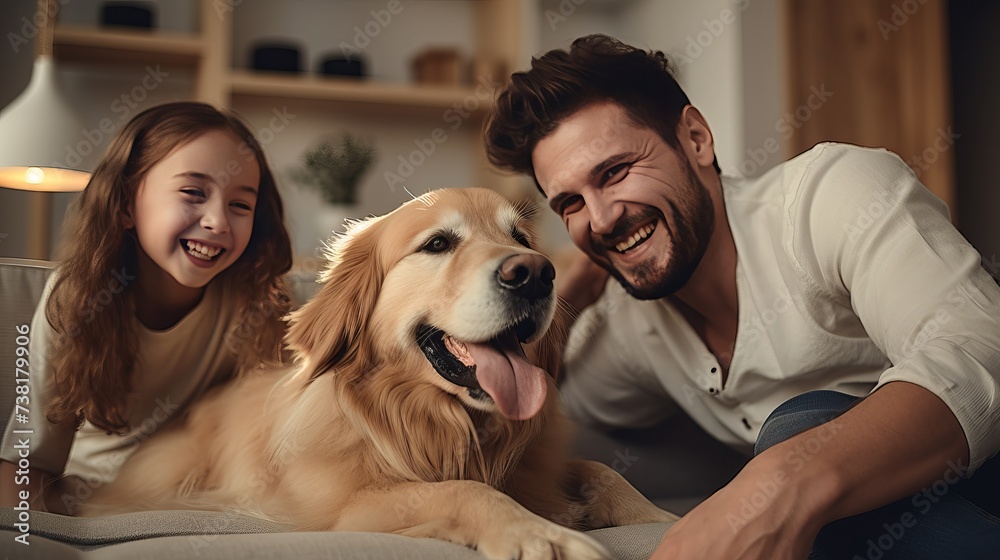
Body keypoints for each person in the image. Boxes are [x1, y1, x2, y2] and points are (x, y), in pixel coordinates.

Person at [484, 34, 1000, 559]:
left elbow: (980, 347)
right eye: (570, 203)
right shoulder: (630, 330)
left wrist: (780, 484)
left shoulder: (829, 195)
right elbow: (528, 397)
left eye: (615, 172)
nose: (601, 219)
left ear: (696, 138)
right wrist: (563, 285)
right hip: (917, 522)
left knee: (802, 423)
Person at [0, 101, 293, 514]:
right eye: (193, 193)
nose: (218, 221)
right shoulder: (75, 299)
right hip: (88, 495)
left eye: (240, 205)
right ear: (124, 205)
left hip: (202, 495)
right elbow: (29, 463)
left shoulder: (258, 299)